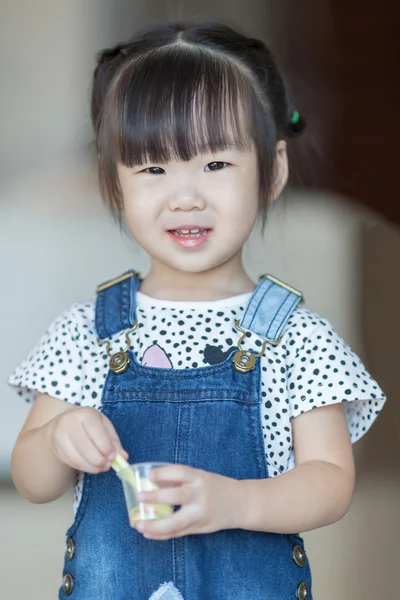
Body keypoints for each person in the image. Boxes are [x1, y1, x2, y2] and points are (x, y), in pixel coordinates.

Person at [9, 21, 386, 600]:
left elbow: (331, 482)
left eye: (215, 165)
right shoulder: (86, 332)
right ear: (115, 183)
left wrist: (236, 501)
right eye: (154, 169)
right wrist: (59, 437)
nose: (185, 195)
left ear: (272, 172)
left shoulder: (296, 336)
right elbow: (33, 481)